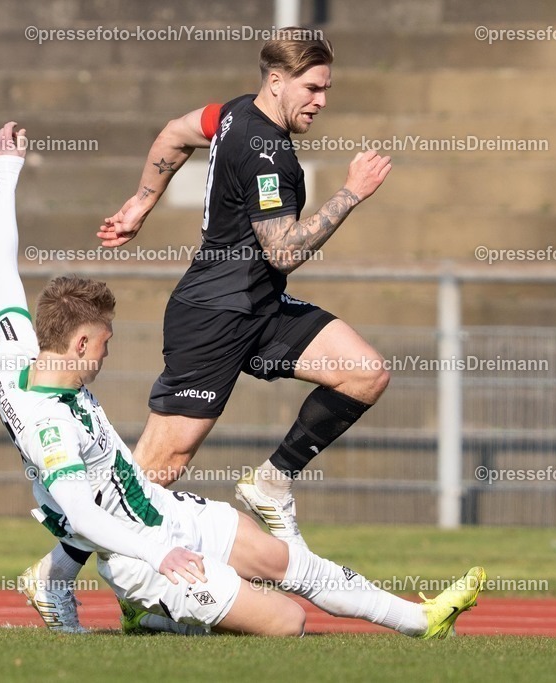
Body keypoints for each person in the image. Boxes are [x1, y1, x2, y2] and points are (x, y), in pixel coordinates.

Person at [0, 121, 484, 637]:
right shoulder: (50, 425)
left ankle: (421, 620)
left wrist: (6, 173)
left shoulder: (16, 352)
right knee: (286, 622)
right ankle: (160, 614)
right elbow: (82, 517)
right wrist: (161, 553)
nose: (109, 351)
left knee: (285, 561)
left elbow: (2, 269)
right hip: (142, 554)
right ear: (81, 344)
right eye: (106, 340)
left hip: (164, 510)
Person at [95, 28, 392, 551]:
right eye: (312, 89)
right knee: (161, 468)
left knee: (365, 372)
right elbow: (284, 251)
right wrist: (352, 193)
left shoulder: (230, 113)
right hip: (213, 315)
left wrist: (141, 202)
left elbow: (174, 132)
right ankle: (60, 567)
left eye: (326, 90)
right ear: (277, 82)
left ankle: (272, 482)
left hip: (260, 306)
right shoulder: (267, 154)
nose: (321, 102)